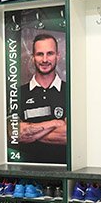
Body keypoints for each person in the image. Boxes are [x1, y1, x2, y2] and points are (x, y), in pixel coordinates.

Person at [18, 34, 67, 164]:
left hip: (63, 168)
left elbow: (68, 135)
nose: (45, 59)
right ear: (33, 57)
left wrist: (31, 132)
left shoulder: (70, 91)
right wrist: (55, 123)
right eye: (40, 54)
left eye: (50, 53)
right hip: (26, 170)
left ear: (58, 56)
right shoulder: (18, 93)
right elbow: (16, 134)